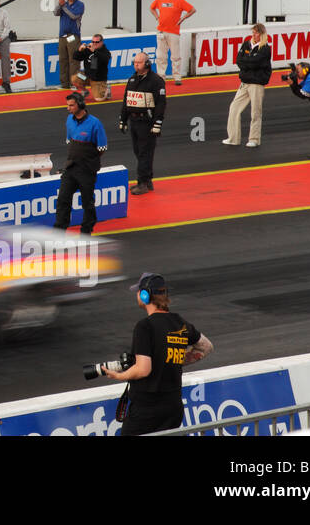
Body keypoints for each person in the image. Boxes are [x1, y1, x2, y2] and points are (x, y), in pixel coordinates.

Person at [102, 273, 213, 436]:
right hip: (173, 407)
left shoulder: (144, 326)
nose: (137, 295)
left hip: (147, 409)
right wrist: (172, 360)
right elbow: (206, 347)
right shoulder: (179, 321)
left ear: (145, 295)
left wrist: (119, 376)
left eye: (138, 291)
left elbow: (143, 369)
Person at [54, 92, 107, 235]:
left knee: (87, 202)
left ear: (80, 105)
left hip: (87, 169)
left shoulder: (95, 123)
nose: (68, 108)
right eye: (67, 105)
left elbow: (102, 148)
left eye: (71, 105)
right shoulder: (69, 120)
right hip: (71, 167)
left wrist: (88, 160)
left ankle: (86, 230)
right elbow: (69, 140)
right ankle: (59, 230)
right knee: (63, 199)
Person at [119, 52, 167, 195]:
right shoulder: (132, 79)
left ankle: (142, 182)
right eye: (135, 62)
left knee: (145, 153)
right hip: (134, 121)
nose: (136, 65)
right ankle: (147, 180)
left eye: (139, 62)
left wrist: (157, 123)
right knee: (138, 152)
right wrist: (123, 119)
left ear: (147, 64)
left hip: (147, 122)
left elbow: (161, 104)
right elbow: (126, 100)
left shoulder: (156, 81)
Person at [222, 23, 272, 148]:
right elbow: (239, 60)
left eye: (256, 33)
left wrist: (247, 62)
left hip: (257, 84)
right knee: (234, 107)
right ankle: (233, 138)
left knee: (255, 112)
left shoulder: (265, 48)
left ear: (262, 34)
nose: (254, 35)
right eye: (253, 32)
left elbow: (256, 63)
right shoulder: (246, 44)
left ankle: (254, 139)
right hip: (245, 82)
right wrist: (249, 63)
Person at [150, 0, 196, 85]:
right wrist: (157, 17)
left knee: (175, 56)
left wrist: (183, 18)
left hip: (174, 32)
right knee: (161, 56)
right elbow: (152, 8)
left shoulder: (179, 0)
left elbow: (192, 10)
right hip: (161, 31)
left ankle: (177, 77)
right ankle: (161, 77)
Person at [54, 0, 85, 89]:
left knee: (74, 60)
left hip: (73, 36)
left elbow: (73, 16)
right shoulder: (64, 4)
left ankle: (74, 83)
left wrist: (63, 6)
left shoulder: (80, 5)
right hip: (62, 36)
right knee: (63, 59)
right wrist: (59, 4)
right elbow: (55, 13)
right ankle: (64, 84)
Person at [72, 33, 113, 102]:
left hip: (97, 80)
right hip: (87, 77)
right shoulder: (88, 49)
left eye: (97, 42)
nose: (94, 43)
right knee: (75, 78)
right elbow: (76, 57)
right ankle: (84, 91)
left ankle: (106, 89)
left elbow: (104, 59)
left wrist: (94, 51)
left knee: (99, 99)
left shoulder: (105, 52)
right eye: (93, 42)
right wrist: (79, 50)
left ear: (102, 42)